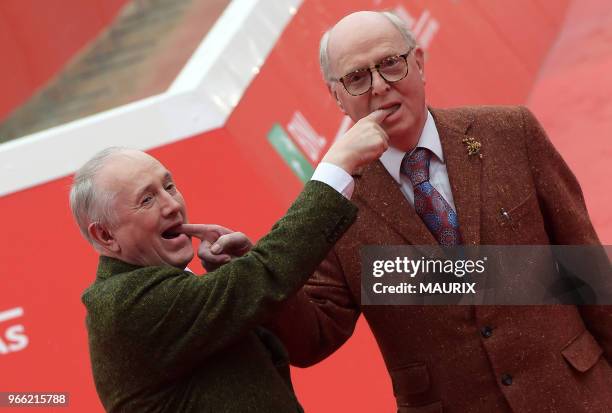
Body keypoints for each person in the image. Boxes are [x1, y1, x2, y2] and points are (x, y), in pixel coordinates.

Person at [205, 11, 612, 413]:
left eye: (390, 64)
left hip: (575, 394)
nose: (380, 87)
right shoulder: (335, 201)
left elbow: (589, 272)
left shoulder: (509, 132)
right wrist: (247, 269)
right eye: (358, 77)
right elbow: (313, 337)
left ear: (418, 62)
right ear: (337, 97)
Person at [69, 124, 391, 413]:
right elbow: (265, 273)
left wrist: (240, 274)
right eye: (147, 200)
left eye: (168, 187)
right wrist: (336, 169)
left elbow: (306, 339)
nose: (171, 205)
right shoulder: (125, 305)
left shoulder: (159, 288)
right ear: (105, 235)